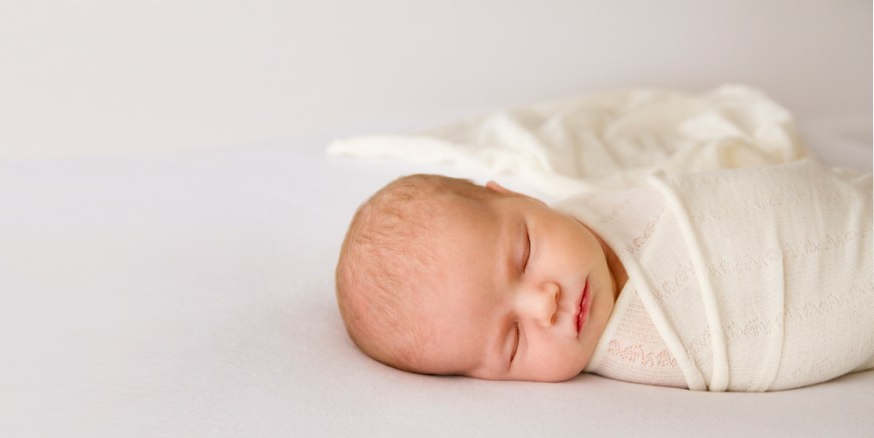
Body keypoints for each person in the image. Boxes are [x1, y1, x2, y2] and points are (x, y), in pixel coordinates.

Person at [335, 160, 874, 391]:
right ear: (488, 380)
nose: (544, 305)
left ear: (513, 195)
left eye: (524, 255)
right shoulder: (644, 345)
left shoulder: (586, 208)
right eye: (513, 340)